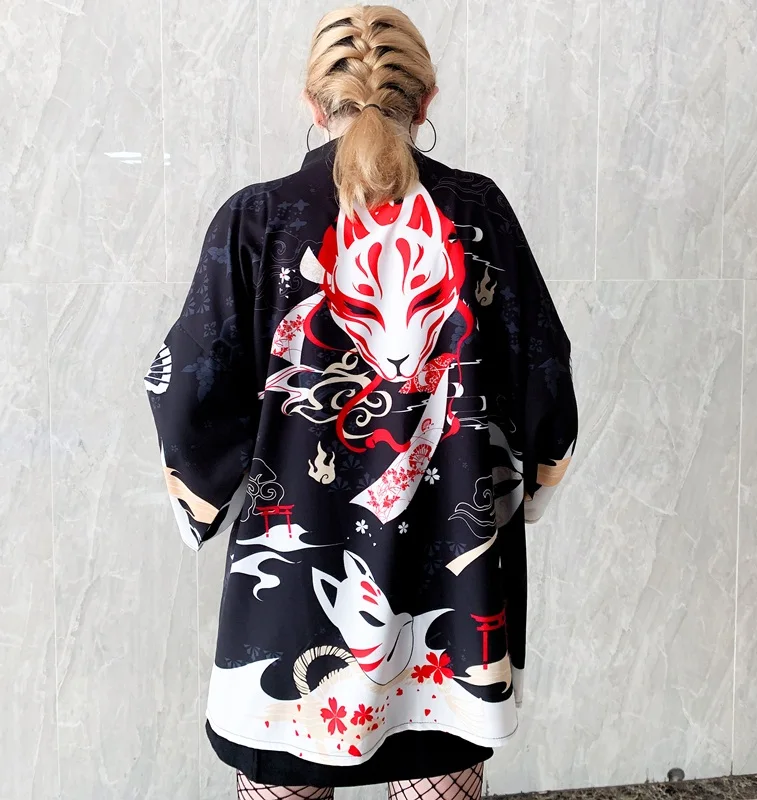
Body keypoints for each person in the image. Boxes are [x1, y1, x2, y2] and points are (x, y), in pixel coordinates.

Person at [144, 5, 578, 799]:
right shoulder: (478, 215)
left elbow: (187, 391)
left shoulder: (258, 220)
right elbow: (545, 377)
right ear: (428, 99)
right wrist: (532, 487)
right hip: (454, 600)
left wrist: (201, 501)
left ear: (313, 105)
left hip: (293, 601)